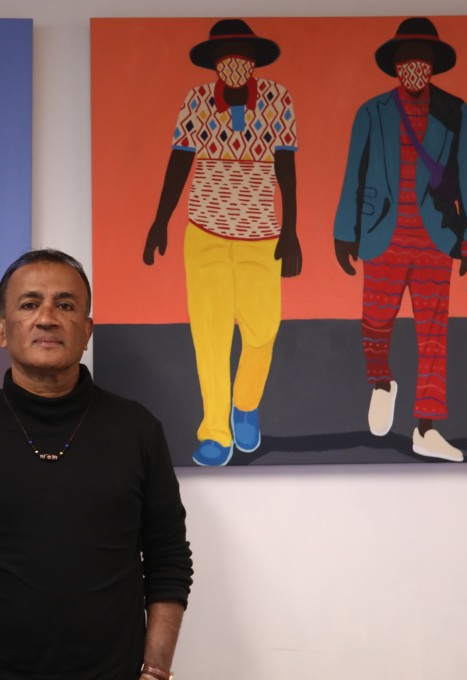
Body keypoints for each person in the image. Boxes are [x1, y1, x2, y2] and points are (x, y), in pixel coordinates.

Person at [0, 249, 193, 680]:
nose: (47, 317)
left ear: (87, 330)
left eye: (65, 304)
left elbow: (168, 561)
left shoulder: (138, 430)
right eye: (29, 304)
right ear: (1, 330)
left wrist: (155, 671)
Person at [143, 19, 302, 467]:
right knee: (210, 338)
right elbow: (179, 161)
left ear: (252, 61)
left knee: (262, 331)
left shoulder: (277, 99)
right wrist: (161, 222)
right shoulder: (196, 101)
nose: (233, 64)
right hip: (206, 236)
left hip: (261, 237)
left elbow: (286, 168)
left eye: (241, 55)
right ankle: (216, 430)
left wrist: (290, 230)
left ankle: (245, 405)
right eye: (225, 56)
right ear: (215, 63)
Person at [333, 17, 467, 462]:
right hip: (380, 233)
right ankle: (381, 382)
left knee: (434, 335)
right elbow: (353, 175)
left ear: (434, 64)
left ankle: (426, 427)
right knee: (375, 322)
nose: (415, 67)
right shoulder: (371, 112)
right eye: (407, 59)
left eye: (423, 59)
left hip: (436, 238)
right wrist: (345, 232)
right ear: (396, 65)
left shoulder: (455, 112)